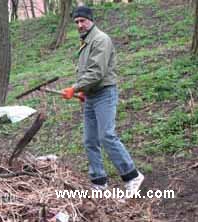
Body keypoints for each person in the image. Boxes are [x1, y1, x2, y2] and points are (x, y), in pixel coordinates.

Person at [61, 6, 144, 193]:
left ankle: (132, 176)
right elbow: (87, 72)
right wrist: (83, 91)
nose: (80, 25)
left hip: (104, 94)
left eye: (83, 21)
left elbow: (97, 72)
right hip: (91, 95)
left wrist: (75, 88)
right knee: (90, 140)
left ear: (91, 20)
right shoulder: (86, 42)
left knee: (106, 135)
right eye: (76, 22)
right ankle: (99, 181)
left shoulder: (100, 40)